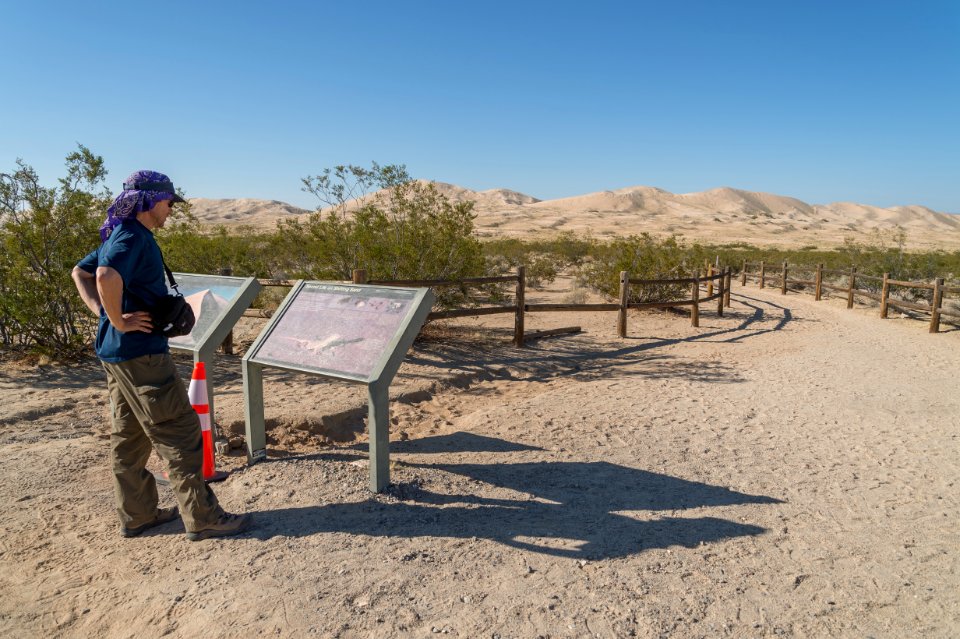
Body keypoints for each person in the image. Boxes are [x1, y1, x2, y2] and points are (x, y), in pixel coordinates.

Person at [71, 170, 251, 541]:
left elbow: (81, 272)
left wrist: (105, 316)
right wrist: (118, 319)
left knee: (130, 436)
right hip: (141, 355)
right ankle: (203, 518)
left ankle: (139, 515)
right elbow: (103, 276)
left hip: (117, 355)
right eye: (169, 203)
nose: (171, 210)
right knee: (180, 433)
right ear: (151, 201)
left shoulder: (118, 233)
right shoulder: (132, 237)